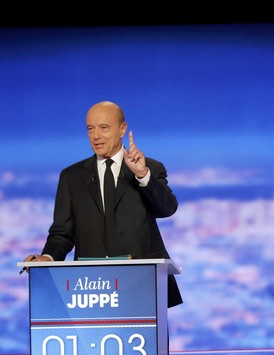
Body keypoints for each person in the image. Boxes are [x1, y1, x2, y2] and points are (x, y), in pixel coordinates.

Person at [22, 100, 182, 308]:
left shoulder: (149, 168)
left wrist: (142, 175)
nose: (96, 136)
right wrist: (48, 257)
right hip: (90, 290)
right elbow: (62, 233)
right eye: (90, 129)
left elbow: (167, 208)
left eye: (104, 128)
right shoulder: (72, 177)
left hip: (143, 285)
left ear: (122, 129)